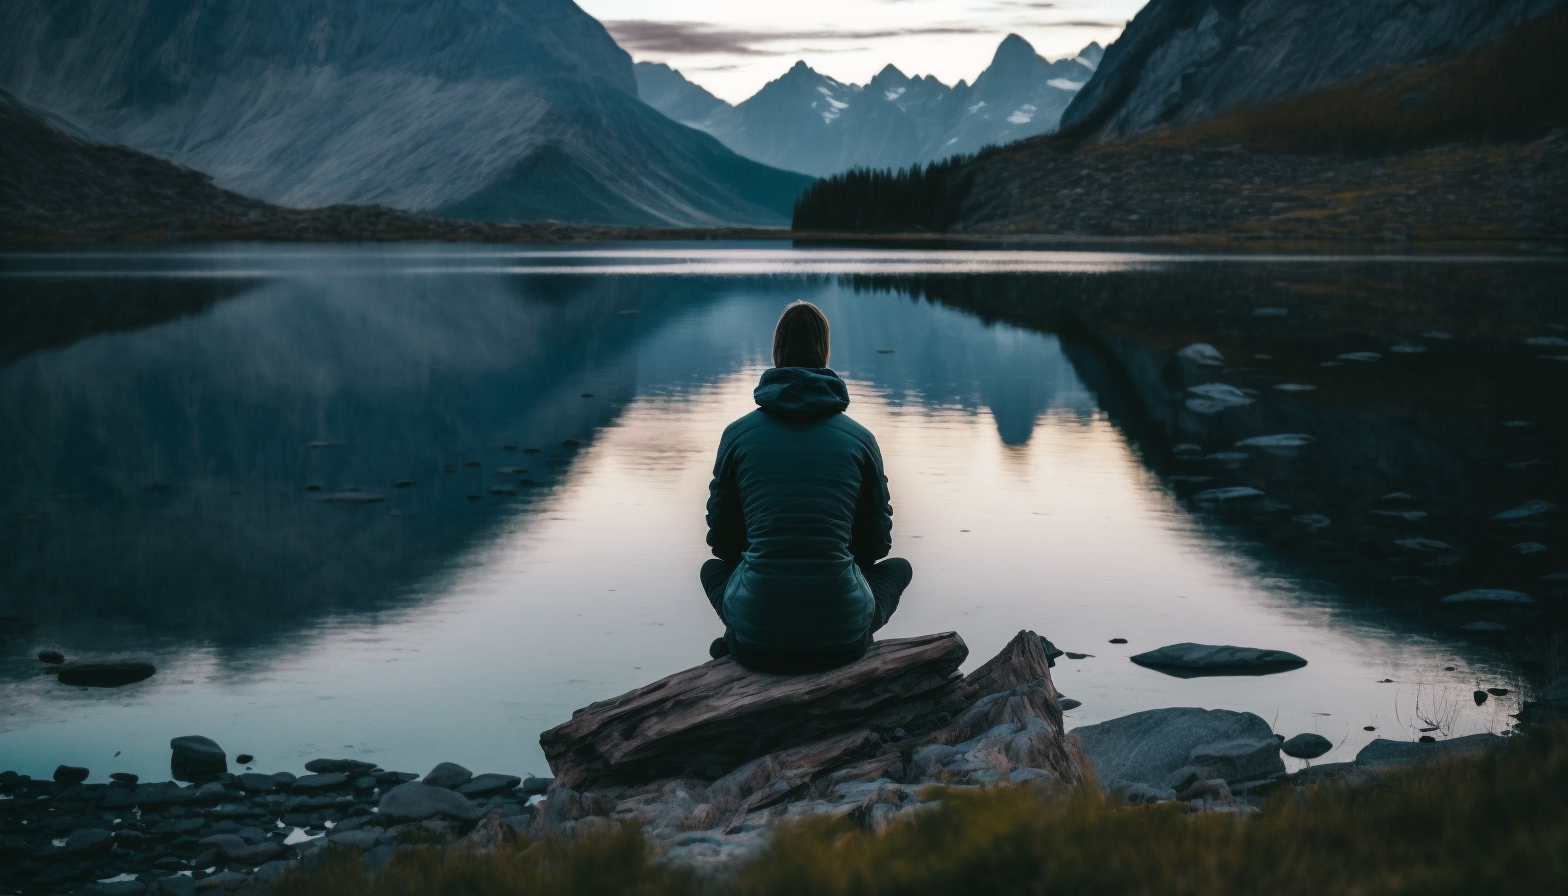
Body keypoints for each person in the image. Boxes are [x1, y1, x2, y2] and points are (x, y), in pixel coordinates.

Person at [702, 301, 913, 673]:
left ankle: (741, 638)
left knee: (712, 570)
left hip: (755, 638)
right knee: (898, 569)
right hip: (842, 638)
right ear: (825, 353)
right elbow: (876, 547)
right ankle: (843, 630)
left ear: (777, 352)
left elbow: (722, 544)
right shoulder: (860, 440)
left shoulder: (737, 435)